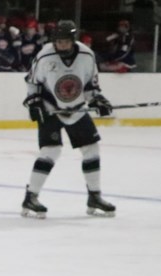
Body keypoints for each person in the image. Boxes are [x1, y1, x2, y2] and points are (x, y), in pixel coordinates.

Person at [22, 20, 116, 218]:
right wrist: (34, 103)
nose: (61, 45)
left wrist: (97, 100)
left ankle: (94, 196)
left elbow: (91, 85)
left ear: (73, 40)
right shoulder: (45, 55)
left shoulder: (86, 55)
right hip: (50, 108)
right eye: (58, 41)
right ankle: (31, 197)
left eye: (65, 41)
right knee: (51, 151)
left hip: (76, 109)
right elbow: (32, 82)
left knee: (91, 149)